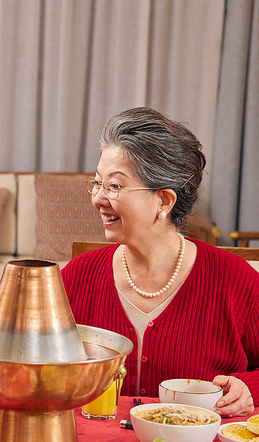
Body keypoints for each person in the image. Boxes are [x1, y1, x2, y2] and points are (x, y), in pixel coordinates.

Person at [61, 106, 258, 417]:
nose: (98, 198)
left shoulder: (237, 281)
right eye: (97, 183)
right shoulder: (78, 276)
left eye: (114, 185)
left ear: (164, 201)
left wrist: (247, 388)